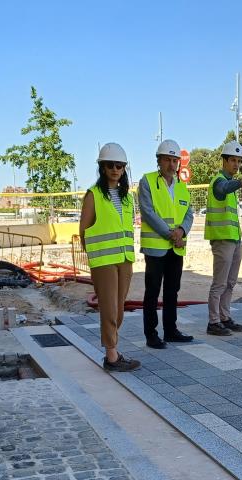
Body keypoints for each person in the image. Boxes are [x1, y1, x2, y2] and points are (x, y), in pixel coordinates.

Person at [79, 143, 140, 372]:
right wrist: (95, 255)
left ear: (124, 169)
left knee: (119, 308)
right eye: (110, 165)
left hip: (124, 259)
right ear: (103, 168)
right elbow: (83, 231)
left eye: (119, 166)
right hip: (104, 262)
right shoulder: (93, 195)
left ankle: (113, 349)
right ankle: (111, 355)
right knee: (109, 308)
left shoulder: (126, 198)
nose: (115, 169)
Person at [138, 139, 195, 348]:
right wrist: (170, 234)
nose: (172, 165)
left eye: (175, 161)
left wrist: (181, 231)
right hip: (156, 248)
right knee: (152, 291)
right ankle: (151, 334)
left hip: (176, 248)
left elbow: (189, 213)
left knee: (172, 291)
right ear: (159, 161)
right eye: (168, 160)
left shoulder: (181, 187)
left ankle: (170, 330)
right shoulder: (148, 181)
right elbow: (148, 212)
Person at [205, 140, 242, 336]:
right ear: (224, 161)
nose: (236, 164)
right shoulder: (218, 181)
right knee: (219, 283)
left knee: (230, 282)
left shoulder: (231, 184)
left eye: (238, 161)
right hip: (222, 240)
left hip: (234, 240)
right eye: (232, 160)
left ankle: (224, 317)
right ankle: (213, 322)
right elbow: (224, 189)